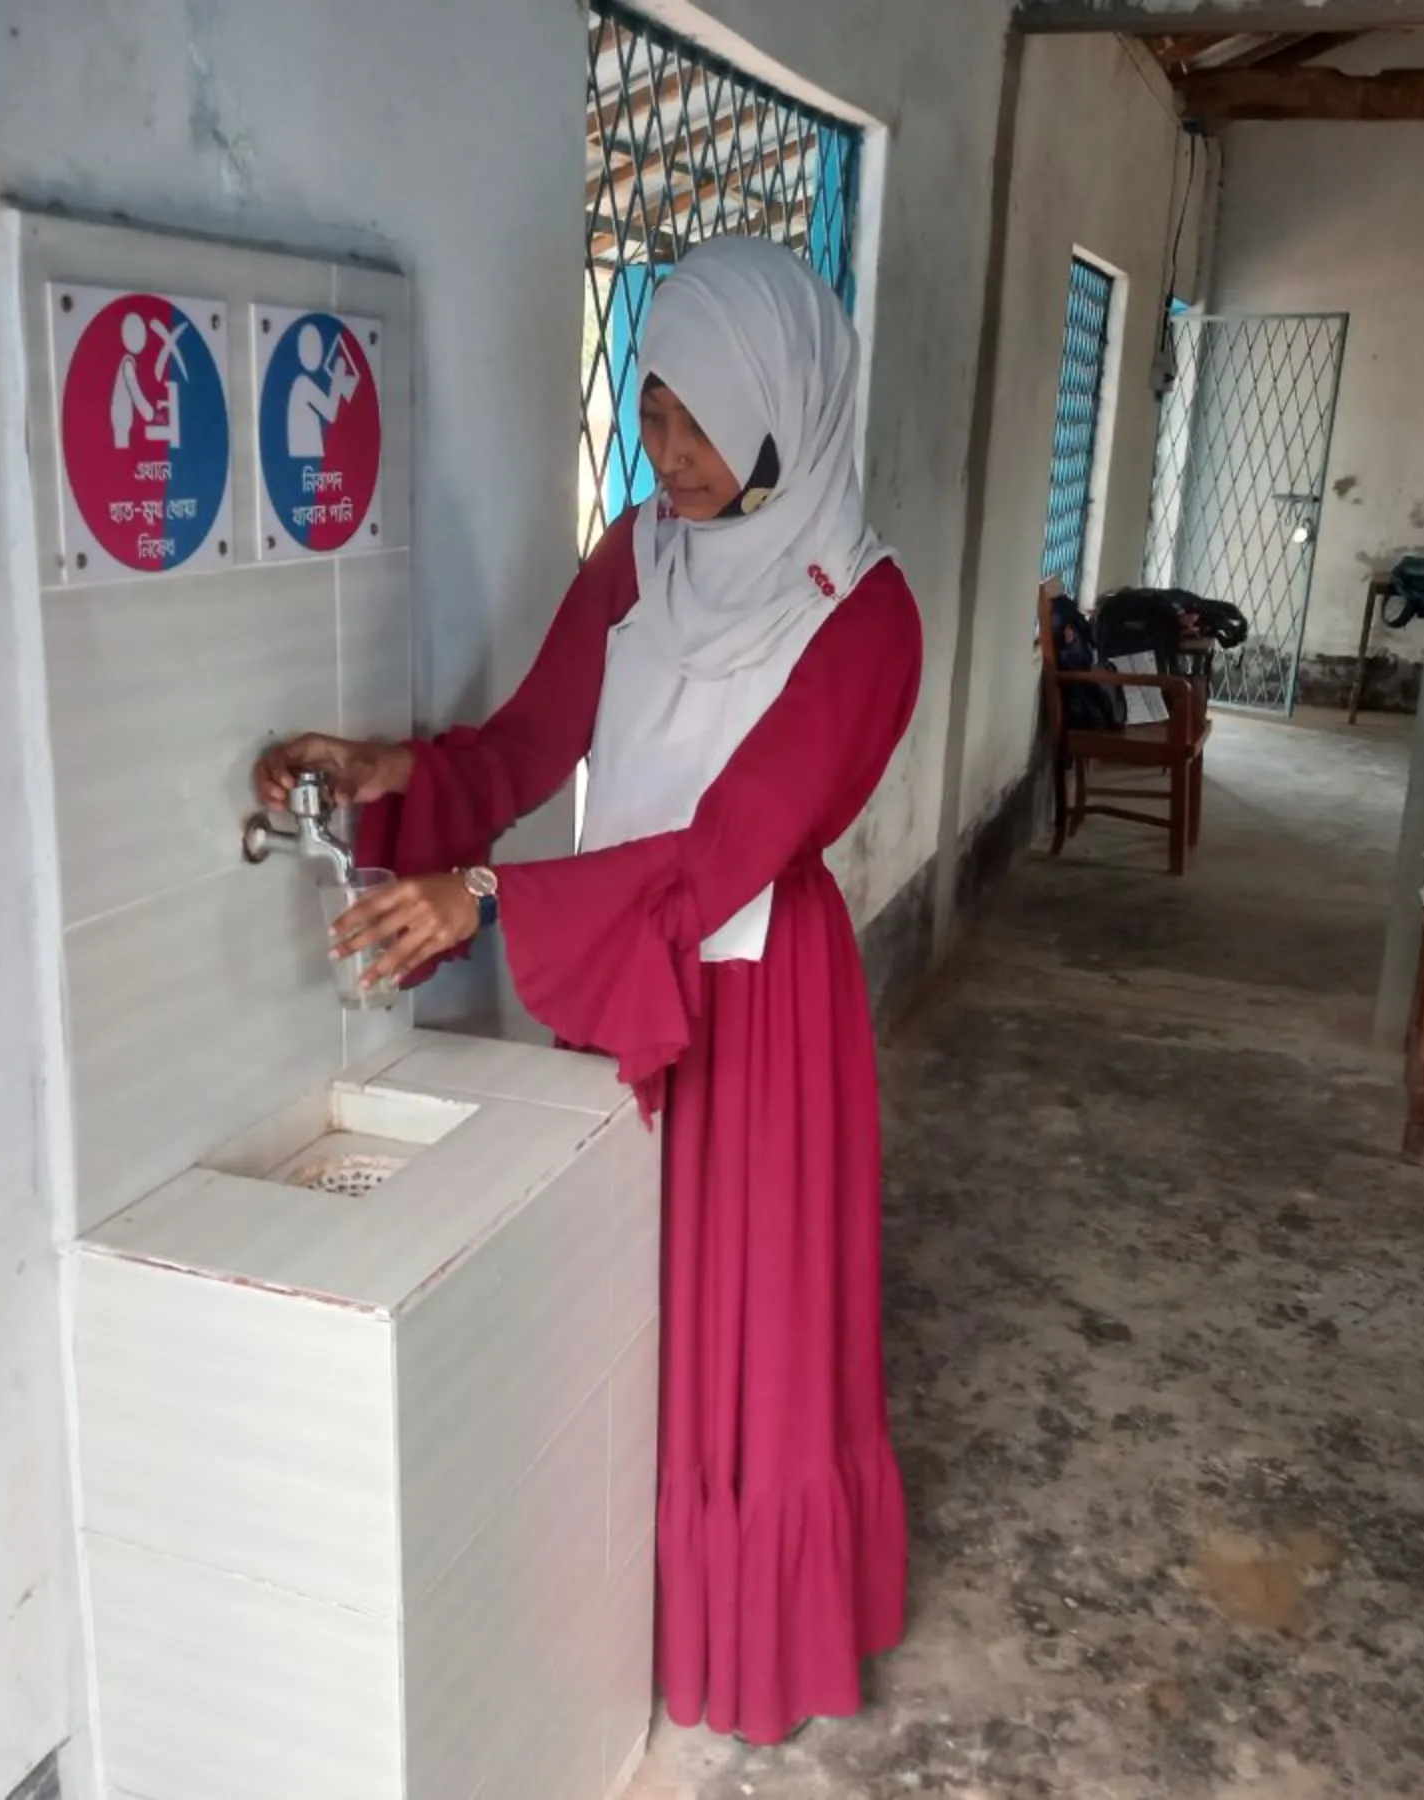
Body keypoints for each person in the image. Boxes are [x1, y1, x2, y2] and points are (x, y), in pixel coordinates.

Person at [255, 236, 920, 1745]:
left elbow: (734, 846)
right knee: (616, 1309)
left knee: (746, 1329)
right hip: (619, 970)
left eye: (694, 418)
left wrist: (488, 896)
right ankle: (612, 1620)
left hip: (755, 1006)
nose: (664, 451)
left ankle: (747, 1640)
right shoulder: (636, 557)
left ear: (779, 406)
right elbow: (528, 746)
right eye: (651, 408)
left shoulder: (870, 618)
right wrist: (392, 776)